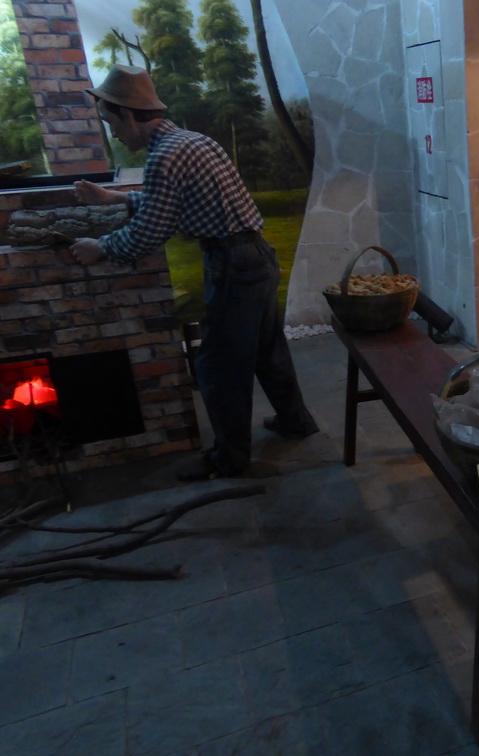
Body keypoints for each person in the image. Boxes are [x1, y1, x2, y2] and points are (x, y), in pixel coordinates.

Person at [70, 64, 318, 480]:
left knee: (216, 366)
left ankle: (230, 459)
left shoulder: (165, 156)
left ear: (129, 115)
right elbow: (176, 202)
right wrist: (114, 196)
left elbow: (150, 232)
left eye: (111, 122)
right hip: (258, 256)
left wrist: (101, 248)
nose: (112, 132)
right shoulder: (192, 141)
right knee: (266, 350)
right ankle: (296, 421)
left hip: (234, 266)